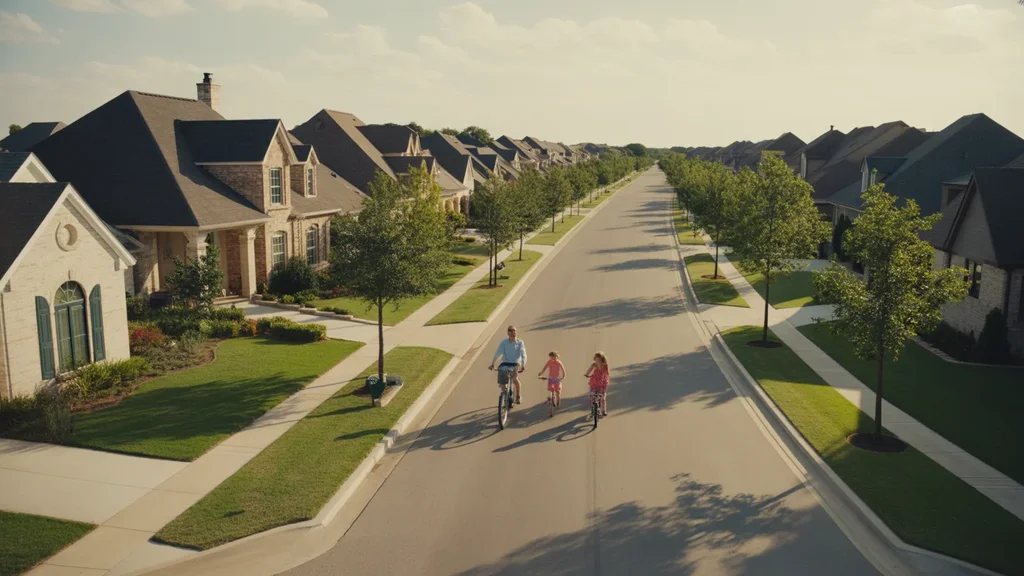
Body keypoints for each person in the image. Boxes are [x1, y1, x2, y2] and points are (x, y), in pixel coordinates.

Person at [489, 325, 527, 404]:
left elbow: (523, 354)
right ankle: (504, 393)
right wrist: (492, 363)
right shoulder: (504, 342)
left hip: (516, 363)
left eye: (514, 331)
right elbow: (498, 353)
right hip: (506, 362)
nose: (513, 333)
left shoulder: (520, 343)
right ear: (508, 333)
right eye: (511, 331)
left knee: (514, 379)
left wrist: (523, 365)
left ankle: (518, 396)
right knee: (501, 373)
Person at [584, 352, 610, 417]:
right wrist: (586, 374)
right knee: (591, 396)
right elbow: (589, 369)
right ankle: (593, 409)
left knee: (602, 397)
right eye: (596, 359)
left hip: (602, 383)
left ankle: (603, 410)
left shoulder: (605, 365)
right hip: (594, 382)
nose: (597, 361)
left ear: (602, 359)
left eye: (599, 359)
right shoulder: (594, 365)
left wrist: (606, 379)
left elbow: (607, 373)